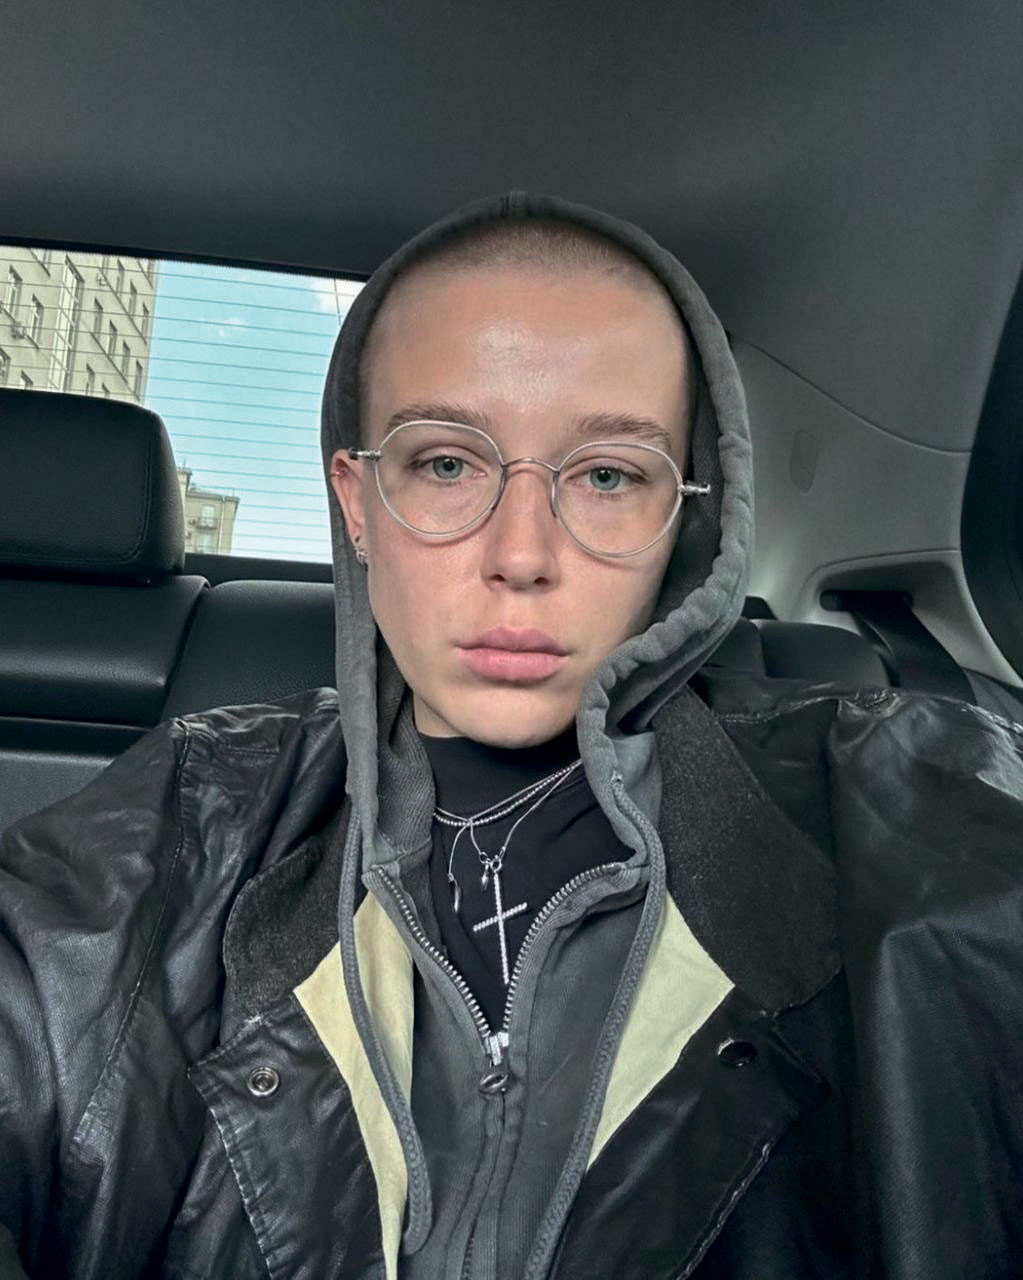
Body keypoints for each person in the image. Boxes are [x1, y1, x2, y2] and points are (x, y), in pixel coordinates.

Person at [1, 190, 1021, 1280]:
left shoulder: (891, 799)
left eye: (608, 475)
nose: (522, 554)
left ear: (685, 512)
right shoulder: (194, 808)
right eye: (447, 463)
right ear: (356, 498)